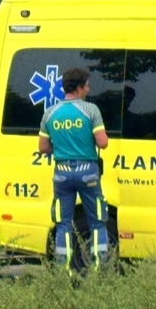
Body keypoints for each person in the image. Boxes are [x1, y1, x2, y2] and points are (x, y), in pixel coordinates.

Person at [38, 67, 110, 270]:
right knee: (97, 222)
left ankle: (62, 270)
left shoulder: (50, 113)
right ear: (78, 88)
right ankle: (99, 268)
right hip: (88, 172)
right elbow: (102, 143)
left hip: (61, 173)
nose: (89, 88)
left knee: (63, 224)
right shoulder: (91, 110)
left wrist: (62, 148)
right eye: (86, 84)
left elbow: (43, 147)